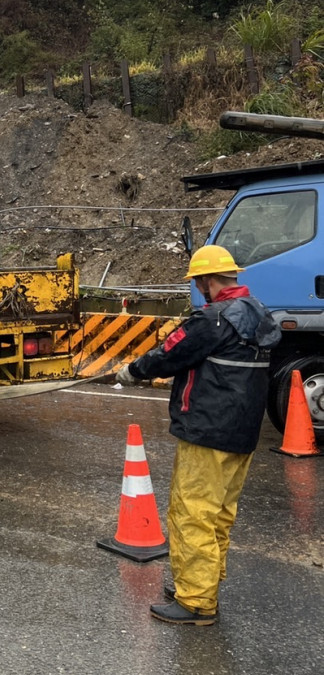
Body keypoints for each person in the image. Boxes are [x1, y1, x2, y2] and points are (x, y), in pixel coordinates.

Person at [115, 245, 280, 626]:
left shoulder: (212, 320)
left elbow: (170, 353)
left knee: (192, 515)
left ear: (207, 280)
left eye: (198, 282)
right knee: (219, 514)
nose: (198, 289)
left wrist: (132, 371)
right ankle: (201, 584)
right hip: (242, 432)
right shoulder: (258, 312)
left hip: (208, 430)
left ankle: (196, 603)